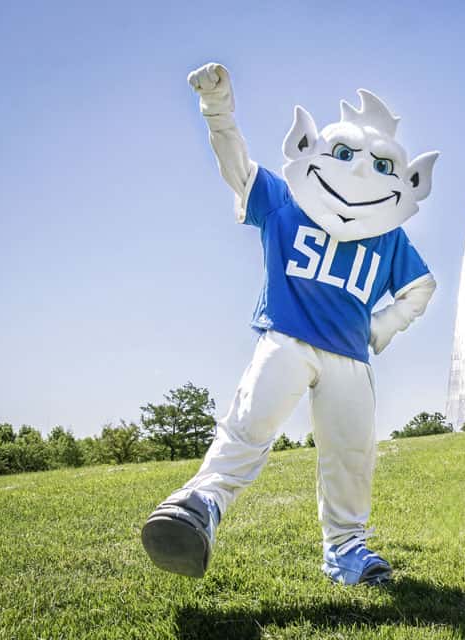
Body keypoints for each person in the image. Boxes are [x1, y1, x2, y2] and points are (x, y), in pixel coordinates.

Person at [141, 63, 439, 586]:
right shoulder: (287, 201)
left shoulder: (387, 236)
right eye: (345, 156)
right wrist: (218, 111)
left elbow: (422, 286)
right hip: (287, 338)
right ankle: (199, 505)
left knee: (350, 453)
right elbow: (239, 168)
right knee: (250, 424)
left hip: (349, 355)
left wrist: (384, 325)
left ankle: (346, 548)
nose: (359, 172)